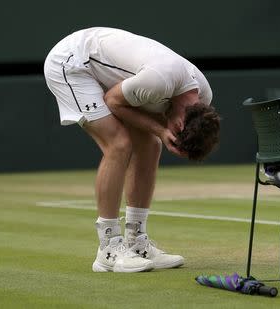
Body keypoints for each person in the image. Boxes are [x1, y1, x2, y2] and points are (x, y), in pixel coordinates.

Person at [43, 27, 220, 273]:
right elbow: (112, 101)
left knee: (149, 145)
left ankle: (137, 242)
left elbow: (144, 119)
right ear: (180, 124)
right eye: (177, 131)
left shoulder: (204, 95)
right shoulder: (157, 83)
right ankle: (108, 249)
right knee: (118, 144)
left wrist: (159, 133)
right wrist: (160, 130)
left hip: (111, 73)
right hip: (73, 63)